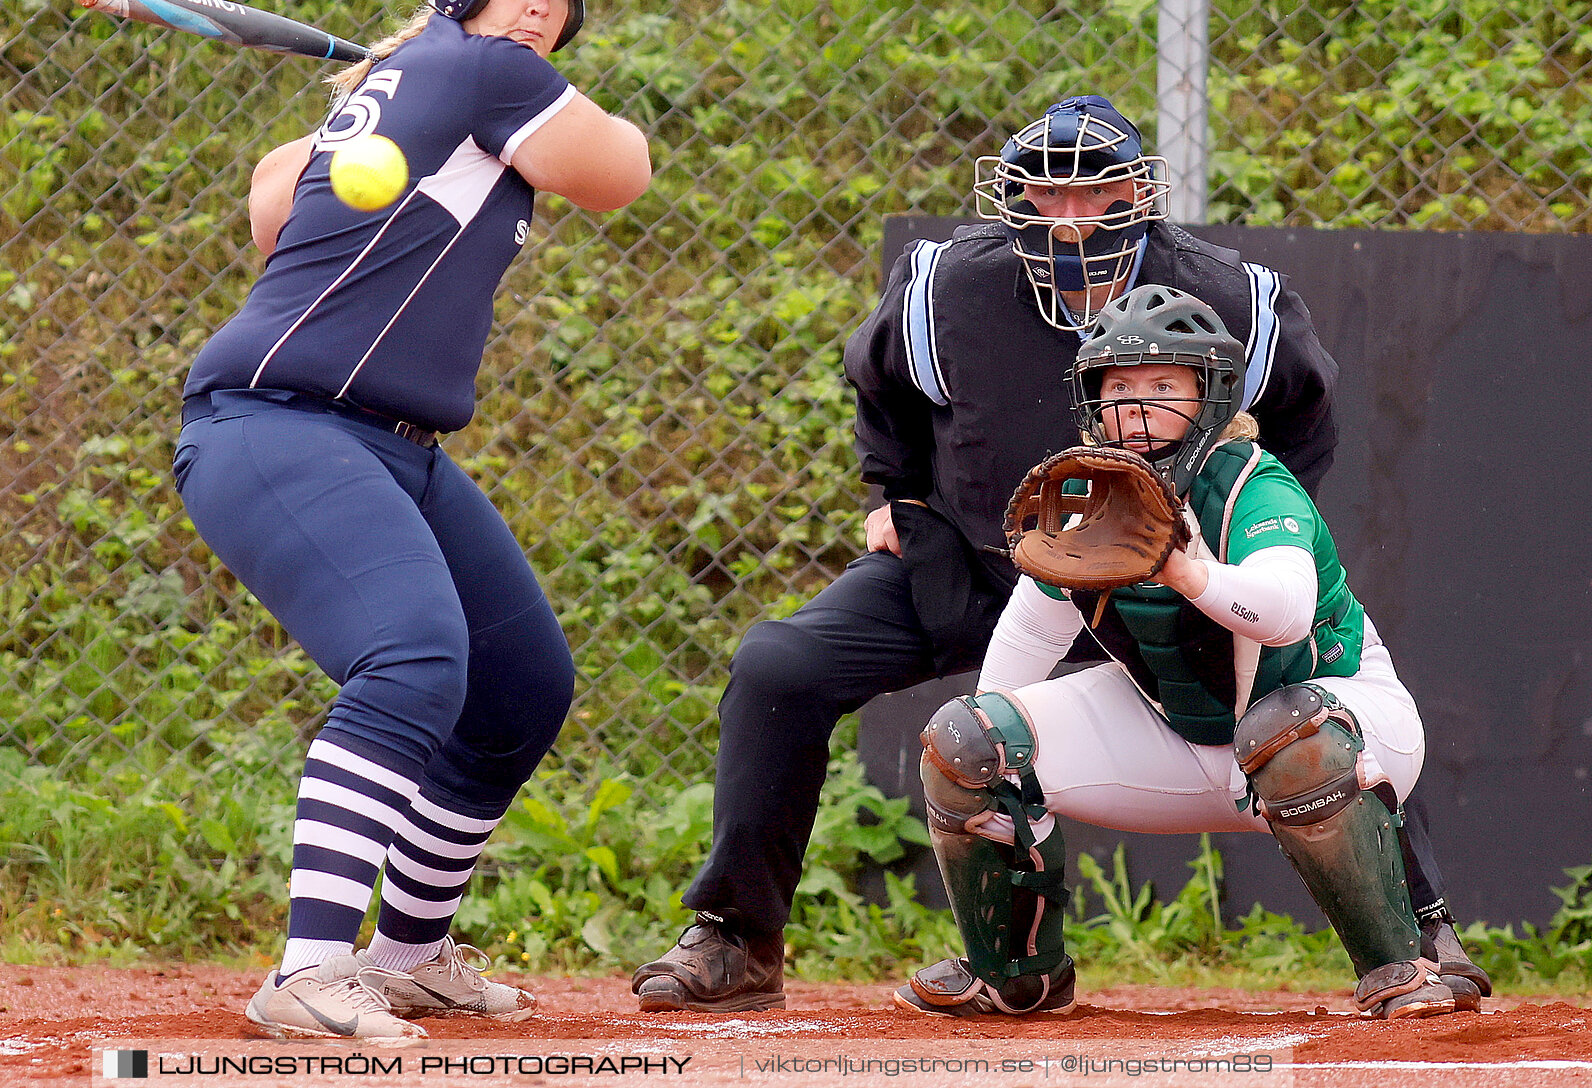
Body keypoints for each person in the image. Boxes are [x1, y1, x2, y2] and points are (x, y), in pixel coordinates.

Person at [630, 95, 1487, 1012]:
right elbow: (880, 385)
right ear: (1012, 201)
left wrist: (1242, 531)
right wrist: (896, 493)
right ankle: (739, 937)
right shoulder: (947, 286)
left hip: (1171, 573)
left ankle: (1421, 928)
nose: (1070, 217)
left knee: (1314, 678)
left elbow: (1306, 407)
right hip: (982, 562)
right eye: (1045, 195)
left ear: (1139, 195)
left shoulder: (1229, 294)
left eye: (1099, 192)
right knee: (781, 663)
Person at [175, 0, 650, 1040]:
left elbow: (271, 205)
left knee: (521, 686)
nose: (539, 6)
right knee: (411, 659)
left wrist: (378, 101)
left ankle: (410, 953)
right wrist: (398, 94)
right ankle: (305, 969)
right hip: (276, 423)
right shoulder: (488, 78)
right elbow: (622, 169)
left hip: (393, 444)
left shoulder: (448, 84)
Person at [898, 284, 1453, 1020]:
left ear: (1211, 395)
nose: (1136, 407)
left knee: (1287, 732)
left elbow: (1284, 615)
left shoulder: (1254, 482)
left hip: (1338, 723)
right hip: (1178, 732)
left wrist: (1179, 569)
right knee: (966, 739)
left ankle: (1400, 965)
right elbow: (1031, 637)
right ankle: (1016, 972)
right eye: (1119, 387)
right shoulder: (1085, 492)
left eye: (1164, 385)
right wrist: (989, 749)